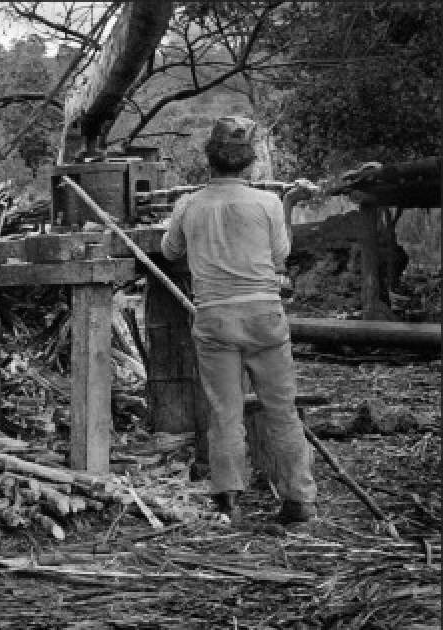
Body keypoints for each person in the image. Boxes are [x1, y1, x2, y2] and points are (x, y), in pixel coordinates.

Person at [160, 116, 317, 525]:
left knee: (224, 411)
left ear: (209, 162)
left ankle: (227, 499)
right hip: (264, 314)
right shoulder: (266, 203)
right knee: (281, 409)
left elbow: (170, 250)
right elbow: (280, 255)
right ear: (249, 164)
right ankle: (299, 498)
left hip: (215, 318)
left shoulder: (188, 205)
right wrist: (287, 205)